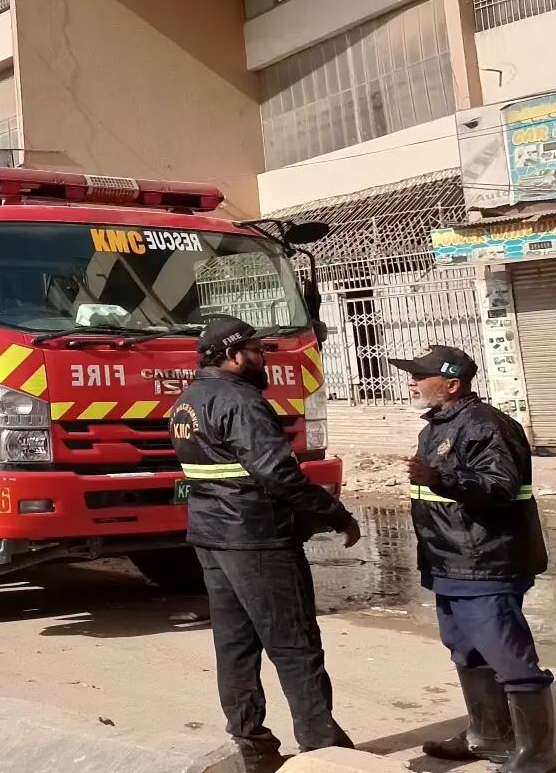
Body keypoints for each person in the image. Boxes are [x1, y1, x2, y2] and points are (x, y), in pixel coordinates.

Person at [170, 316, 363, 772]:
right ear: (234, 355)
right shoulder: (240, 400)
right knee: (295, 643)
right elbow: (278, 474)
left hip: (212, 536)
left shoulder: (188, 400)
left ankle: (251, 745)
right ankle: (322, 750)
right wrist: (335, 514)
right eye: (257, 351)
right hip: (256, 536)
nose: (264, 359)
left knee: (235, 645)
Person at [391, 345, 556, 773]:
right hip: (449, 561)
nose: (411, 381)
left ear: (451, 384)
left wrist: (440, 477)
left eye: (419, 375)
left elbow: (500, 487)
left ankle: (536, 756)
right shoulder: (439, 426)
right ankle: (489, 736)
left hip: (485, 562)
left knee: (510, 658)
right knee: (467, 651)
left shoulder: (488, 426)